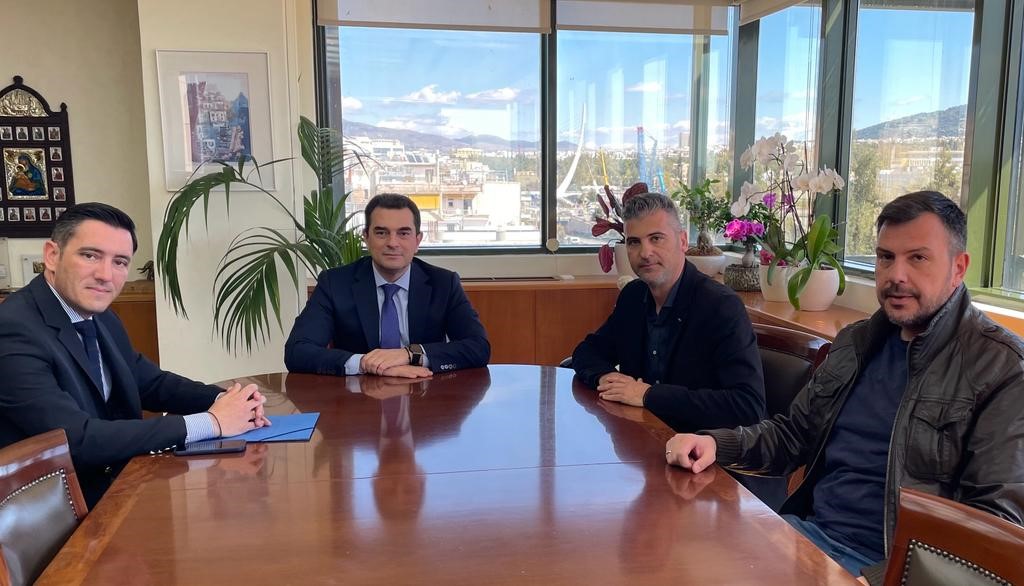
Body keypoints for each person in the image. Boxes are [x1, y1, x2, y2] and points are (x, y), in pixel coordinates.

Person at [665, 191, 1024, 584]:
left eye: (918, 258)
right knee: (673, 557)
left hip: (891, 573)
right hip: (807, 542)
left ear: (959, 267)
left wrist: (880, 578)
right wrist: (716, 444)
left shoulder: (1003, 368)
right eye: (886, 257)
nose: (897, 275)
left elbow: (994, 528)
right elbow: (792, 436)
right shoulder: (857, 342)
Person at [0, 202, 271, 507]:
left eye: (120, 262)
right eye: (90, 256)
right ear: (52, 255)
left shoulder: (101, 316)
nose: (106, 275)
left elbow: (150, 383)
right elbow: (75, 439)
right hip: (54, 515)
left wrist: (229, 401)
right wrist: (212, 423)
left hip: (117, 489)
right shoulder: (12, 329)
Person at [572, 191, 766, 433]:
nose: (645, 253)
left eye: (656, 238)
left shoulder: (720, 306)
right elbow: (587, 352)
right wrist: (607, 379)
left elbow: (748, 407)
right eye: (634, 242)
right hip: (640, 438)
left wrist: (649, 395)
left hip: (699, 447)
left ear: (683, 241)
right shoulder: (633, 296)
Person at [285, 193, 490, 378]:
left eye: (403, 233)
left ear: (418, 240)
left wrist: (410, 354)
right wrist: (366, 363)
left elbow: (478, 347)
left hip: (424, 395)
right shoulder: (335, 284)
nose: (392, 243)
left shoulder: (443, 283)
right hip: (357, 398)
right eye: (382, 233)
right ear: (366, 238)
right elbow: (297, 351)